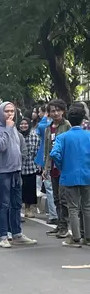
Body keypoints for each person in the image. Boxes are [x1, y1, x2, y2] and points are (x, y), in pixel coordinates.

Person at [0, 101, 37, 248]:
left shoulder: (15, 130)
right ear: (0, 113)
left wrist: (19, 161)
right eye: (7, 111)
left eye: (12, 111)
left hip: (16, 171)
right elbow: (1, 146)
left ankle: (17, 233)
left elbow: (21, 147)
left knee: (16, 204)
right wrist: (8, 129)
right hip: (1, 172)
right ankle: (3, 234)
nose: (10, 114)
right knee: (3, 204)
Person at [49, 106, 90, 248]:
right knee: (87, 206)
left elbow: (54, 154)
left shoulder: (62, 137)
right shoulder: (88, 135)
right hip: (87, 174)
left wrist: (61, 166)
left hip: (69, 175)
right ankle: (88, 237)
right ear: (82, 119)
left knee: (72, 208)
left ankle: (76, 238)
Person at [43, 99, 71, 238]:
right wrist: (45, 167)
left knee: (63, 197)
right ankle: (59, 225)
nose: (55, 113)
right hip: (52, 167)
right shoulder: (48, 128)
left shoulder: (67, 126)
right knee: (56, 198)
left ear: (63, 111)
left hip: (64, 167)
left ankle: (64, 227)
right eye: (52, 111)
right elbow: (47, 149)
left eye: (57, 110)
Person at [18, 118, 40, 219]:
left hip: (31, 167)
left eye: (26, 124)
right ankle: (17, 211)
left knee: (30, 190)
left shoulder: (34, 137)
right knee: (18, 191)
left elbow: (37, 152)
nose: (23, 126)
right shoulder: (16, 137)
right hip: (18, 167)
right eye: (22, 124)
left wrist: (39, 164)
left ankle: (28, 209)